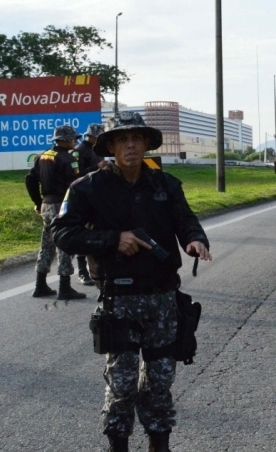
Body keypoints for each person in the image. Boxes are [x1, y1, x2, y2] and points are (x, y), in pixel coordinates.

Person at [51, 111, 211, 452]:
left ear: (146, 143)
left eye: (136, 138)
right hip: (118, 300)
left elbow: (186, 220)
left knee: (161, 380)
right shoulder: (87, 188)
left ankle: (159, 443)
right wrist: (112, 240)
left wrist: (196, 240)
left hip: (163, 298)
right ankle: (118, 444)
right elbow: (62, 233)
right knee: (122, 383)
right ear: (110, 146)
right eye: (122, 139)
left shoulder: (165, 184)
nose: (131, 145)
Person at [25, 124, 85, 300]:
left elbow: (30, 180)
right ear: (65, 140)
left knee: (47, 244)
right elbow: (75, 184)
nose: (76, 141)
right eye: (74, 138)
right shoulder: (68, 158)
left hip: (46, 204)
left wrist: (37, 202)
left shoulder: (42, 156)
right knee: (64, 243)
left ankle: (40, 284)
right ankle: (64, 287)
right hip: (61, 204)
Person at [73, 122, 108, 286]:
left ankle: (98, 270)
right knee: (84, 234)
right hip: (84, 197)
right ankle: (82, 272)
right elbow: (76, 174)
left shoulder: (98, 150)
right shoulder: (79, 151)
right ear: (92, 136)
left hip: (99, 195)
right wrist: (96, 166)